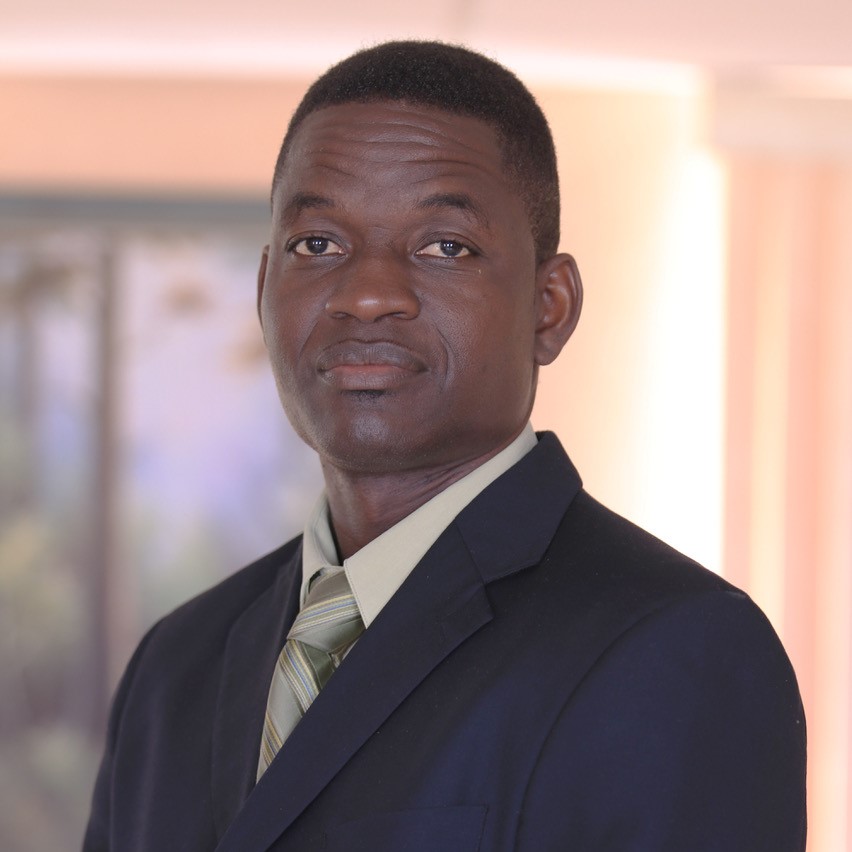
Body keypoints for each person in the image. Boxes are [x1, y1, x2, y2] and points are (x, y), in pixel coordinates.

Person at [83, 41, 806, 851]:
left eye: (445, 247)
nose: (367, 294)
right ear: (263, 291)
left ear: (549, 307)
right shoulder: (176, 665)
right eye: (317, 245)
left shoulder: (675, 650)